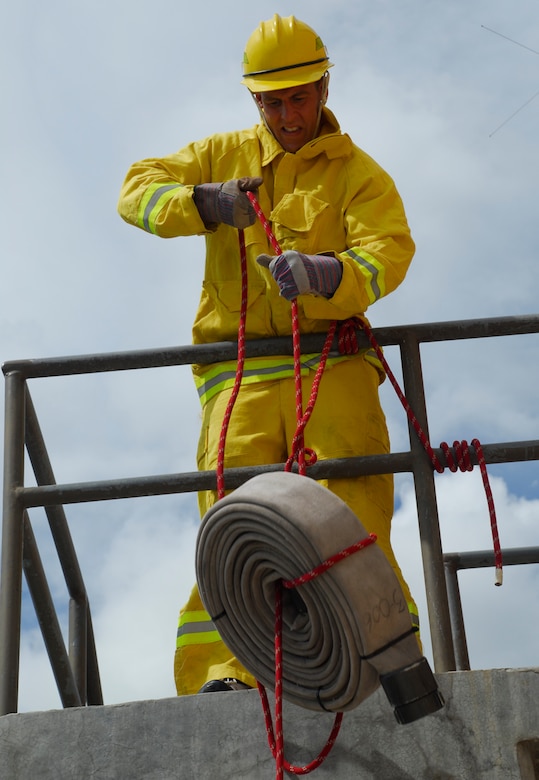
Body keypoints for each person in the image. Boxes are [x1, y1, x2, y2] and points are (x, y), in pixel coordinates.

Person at [117, 14, 418, 697]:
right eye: (272, 102)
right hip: (240, 370)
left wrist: (324, 276)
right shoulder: (221, 156)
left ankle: (384, 664)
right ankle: (228, 674)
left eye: (299, 98)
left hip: (330, 365)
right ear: (254, 101)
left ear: (322, 86)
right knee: (235, 519)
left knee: (351, 511)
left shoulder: (357, 174)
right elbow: (134, 191)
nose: (287, 115)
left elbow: (387, 252)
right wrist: (200, 202)